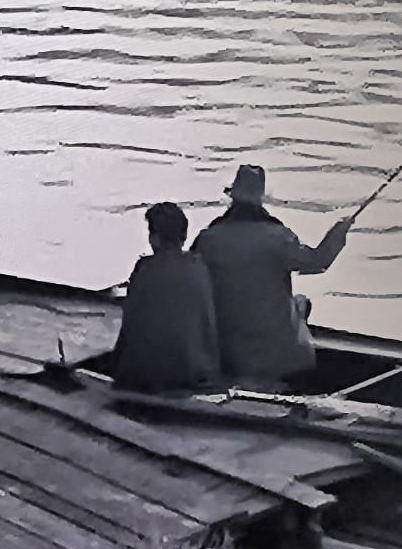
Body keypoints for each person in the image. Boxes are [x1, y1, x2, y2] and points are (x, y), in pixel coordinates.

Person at [191, 164, 353, 390]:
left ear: (232, 197)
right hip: (275, 354)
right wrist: (338, 232)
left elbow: (189, 281)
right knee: (301, 303)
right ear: (260, 199)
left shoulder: (208, 239)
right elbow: (318, 261)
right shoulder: (278, 238)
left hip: (225, 349)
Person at [109, 202, 222, 395]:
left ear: (154, 238)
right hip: (194, 374)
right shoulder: (199, 268)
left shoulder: (145, 269)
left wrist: (116, 367)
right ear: (184, 237)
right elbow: (208, 325)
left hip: (148, 377)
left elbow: (131, 325)